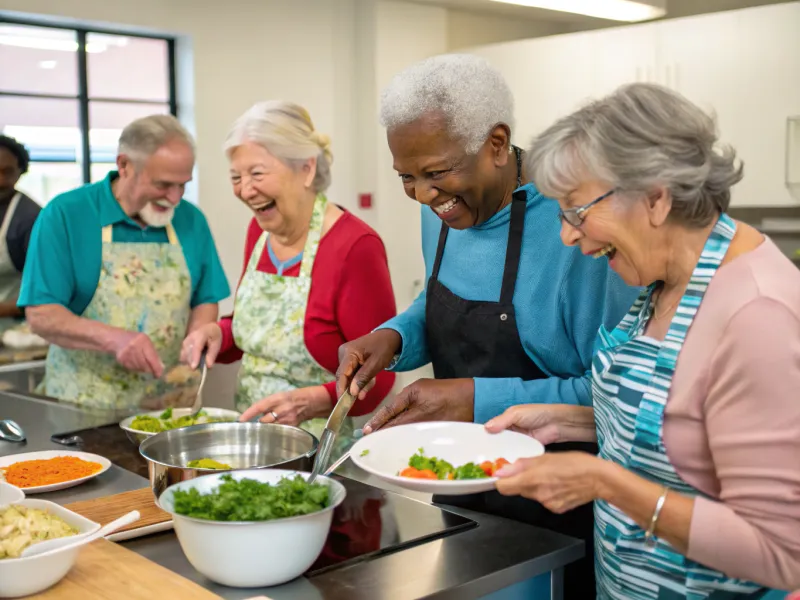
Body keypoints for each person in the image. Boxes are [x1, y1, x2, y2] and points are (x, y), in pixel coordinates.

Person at [335, 54, 639, 597]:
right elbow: (441, 302)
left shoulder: (577, 231)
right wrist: (395, 336)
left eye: (436, 173)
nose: (425, 196)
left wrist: (474, 398)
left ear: (497, 143)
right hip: (460, 483)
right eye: (406, 177)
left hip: (559, 500)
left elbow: (617, 394)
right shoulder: (443, 207)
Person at [487, 82, 800, 598]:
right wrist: (563, 421)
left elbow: (781, 552)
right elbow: (690, 427)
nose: (567, 234)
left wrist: (601, 482)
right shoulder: (663, 274)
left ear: (655, 198)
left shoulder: (755, 313)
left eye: (577, 211)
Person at [182, 101, 396, 455]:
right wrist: (217, 333)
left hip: (316, 452)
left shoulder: (355, 247)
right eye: (236, 177)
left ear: (306, 169)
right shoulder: (260, 232)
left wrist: (313, 401)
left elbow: (381, 372)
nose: (245, 189)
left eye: (257, 174)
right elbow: (257, 328)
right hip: (250, 443)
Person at [19, 115, 230, 411]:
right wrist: (114, 339)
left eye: (183, 185)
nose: (175, 198)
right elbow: (42, 315)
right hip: (84, 406)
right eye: (163, 184)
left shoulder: (191, 220)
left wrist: (196, 339)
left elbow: (205, 299)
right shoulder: (67, 215)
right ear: (124, 165)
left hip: (170, 405)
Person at [0, 135, 41, 325]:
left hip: (13, 331)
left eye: (7, 172)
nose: (0, 181)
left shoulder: (30, 218)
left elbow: (44, 293)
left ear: (20, 172)